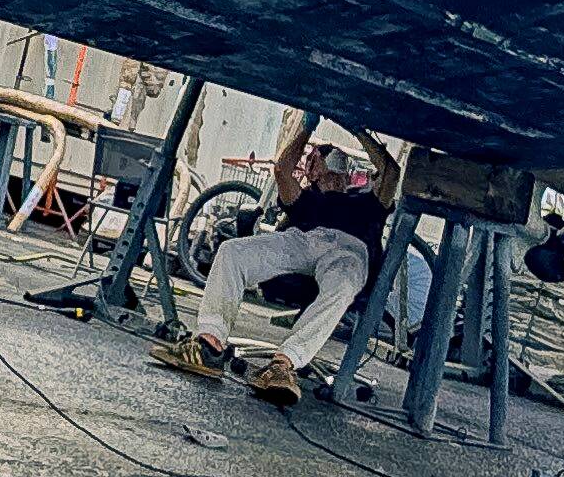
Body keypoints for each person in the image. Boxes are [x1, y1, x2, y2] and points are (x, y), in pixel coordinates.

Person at [152, 115, 399, 405]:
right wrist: (307, 127)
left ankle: (284, 364)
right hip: (303, 240)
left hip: (348, 251)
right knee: (232, 252)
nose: (330, 167)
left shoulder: (367, 201)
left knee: (342, 284)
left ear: (348, 176)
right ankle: (209, 345)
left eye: (336, 166)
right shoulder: (305, 199)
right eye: (321, 163)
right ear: (311, 171)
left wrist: (358, 129)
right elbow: (282, 169)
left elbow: (391, 172)